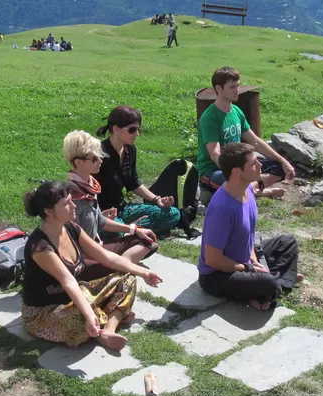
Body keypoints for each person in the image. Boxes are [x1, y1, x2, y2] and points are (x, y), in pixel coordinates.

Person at [21, 182, 163, 351]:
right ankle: (109, 315)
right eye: (67, 203)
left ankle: (108, 329)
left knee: (127, 278)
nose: (74, 205)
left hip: (74, 296)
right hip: (44, 313)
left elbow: (106, 256)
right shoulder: (41, 247)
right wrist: (89, 314)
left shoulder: (71, 227)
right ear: (48, 211)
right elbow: (68, 282)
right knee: (82, 317)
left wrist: (143, 272)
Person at [198, 144, 302, 310]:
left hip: (244, 260)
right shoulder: (223, 208)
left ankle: (268, 287)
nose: (260, 165)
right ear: (236, 172)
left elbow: (249, 237)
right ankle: (275, 283)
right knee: (268, 283)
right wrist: (248, 268)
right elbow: (213, 259)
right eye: (254, 163)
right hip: (217, 276)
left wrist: (253, 259)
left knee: (287, 242)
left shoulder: (247, 189)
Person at [63, 130, 158, 280]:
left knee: (147, 239)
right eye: (94, 158)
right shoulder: (71, 197)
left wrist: (134, 229)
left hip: (99, 249)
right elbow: (72, 243)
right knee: (117, 260)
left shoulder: (89, 186)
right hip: (83, 258)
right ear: (78, 162)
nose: (100, 161)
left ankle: (118, 269)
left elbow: (100, 221)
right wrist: (106, 256)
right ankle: (119, 269)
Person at [94, 105, 199, 238]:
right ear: (115, 129)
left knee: (173, 214)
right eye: (132, 130)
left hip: (123, 209)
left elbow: (133, 182)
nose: (137, 134)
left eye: (138, 129)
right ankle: (130, 230)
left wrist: (157, 200)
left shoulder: (130, 150)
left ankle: (132, 230)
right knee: (114, 232)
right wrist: (99, 216)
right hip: (104, 214)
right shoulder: (98, 155)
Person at [197, 67, 294, 198]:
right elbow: (215, 155)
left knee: (278, 168)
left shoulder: (236, 111)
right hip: (213, 169)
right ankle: (260, 191)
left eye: (238, 85)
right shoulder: (210, 118)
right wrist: (236, 174)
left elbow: (255, 141)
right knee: (230, 183)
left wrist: (283, 162)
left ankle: (249, 188)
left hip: (240, 165)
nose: (237, 90)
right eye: (232, 87)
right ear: (219, 89)